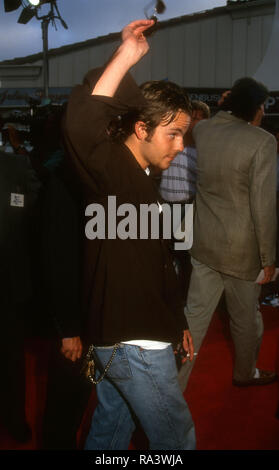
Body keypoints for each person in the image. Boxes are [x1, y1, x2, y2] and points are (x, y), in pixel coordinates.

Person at [64, 19, 195, 450]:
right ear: (142, 129)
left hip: (131, 336)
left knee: (110, 432)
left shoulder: (138, 178)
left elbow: (158, 263)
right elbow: (83, 125)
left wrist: (178, 322)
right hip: (134, 343)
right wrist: (126, 56)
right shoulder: (114, 170)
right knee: (175, 440)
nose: (180, 147)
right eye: (174, 134)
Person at [178, 77, 277, 391]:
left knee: (193, 318)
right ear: (256, 108)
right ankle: (245, 372)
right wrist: (269, 258)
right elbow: (263, 206)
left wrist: (227, 104)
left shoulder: (204, 130)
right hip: (241, 252)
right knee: (246, 320)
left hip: (205, 244)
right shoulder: (262, 141)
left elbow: (219, 118)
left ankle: (172, 387)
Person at [0, 149, 40, 442]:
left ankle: (14, 418)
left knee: (12, 357)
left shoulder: (15, 165)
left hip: (9, 283)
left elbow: (35, 211)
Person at [160, 100, 210, 204]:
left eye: (195, 119)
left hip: (187, 207)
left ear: (205, 122)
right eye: (189, 118)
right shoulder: (169, 141)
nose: (190, 122)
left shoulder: (205, 151)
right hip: (163, 204)